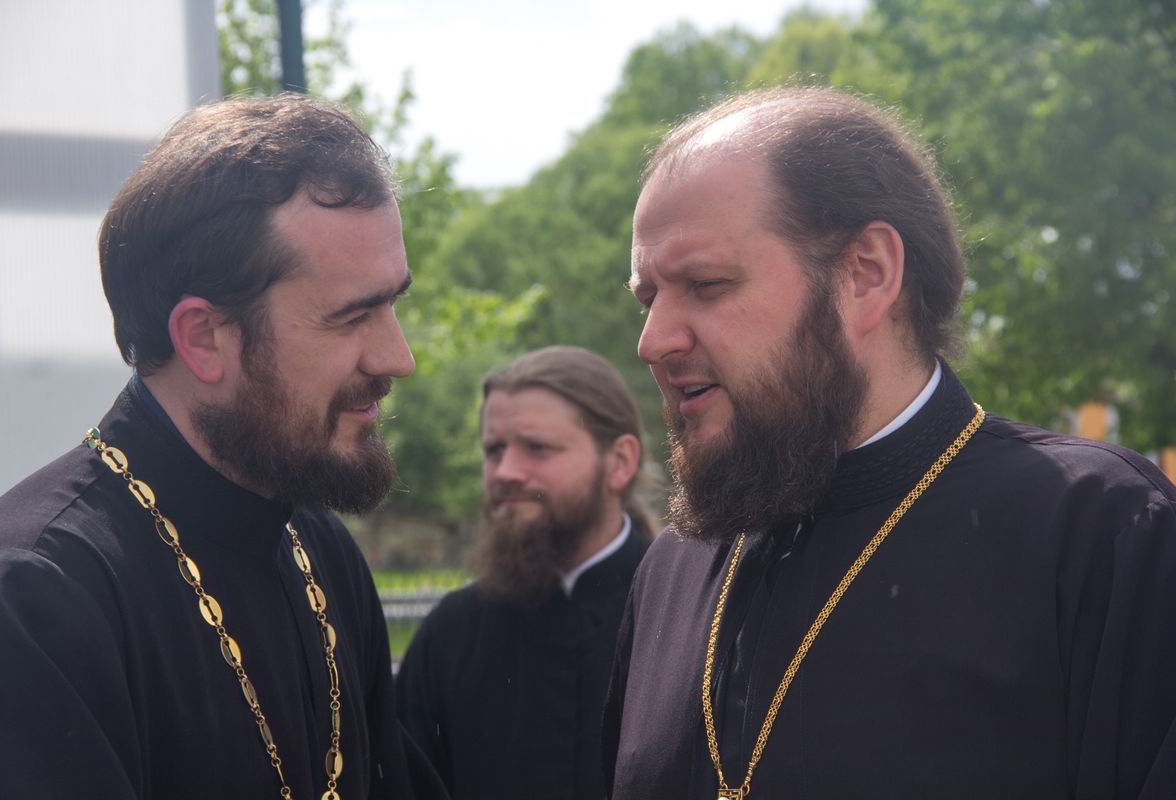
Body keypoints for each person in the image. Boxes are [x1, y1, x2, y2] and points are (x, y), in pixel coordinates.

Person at [603, 86, 1176, 799]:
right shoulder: (671, 570)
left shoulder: (1101, 531)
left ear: (865, 274)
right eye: (648, 298)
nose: (653, 340)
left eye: (706, 284)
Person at [0, 94, 446, 799]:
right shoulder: (32, 596)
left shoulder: (320, 548)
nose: (397, 358)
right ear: (203, 338)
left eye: (392, 303)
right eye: (352, 317)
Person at [397, 345, 655, 799]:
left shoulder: (686, 621)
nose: (506, 471)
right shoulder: (450, 635)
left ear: (619, 463)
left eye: (537, 448)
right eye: (494, 450)